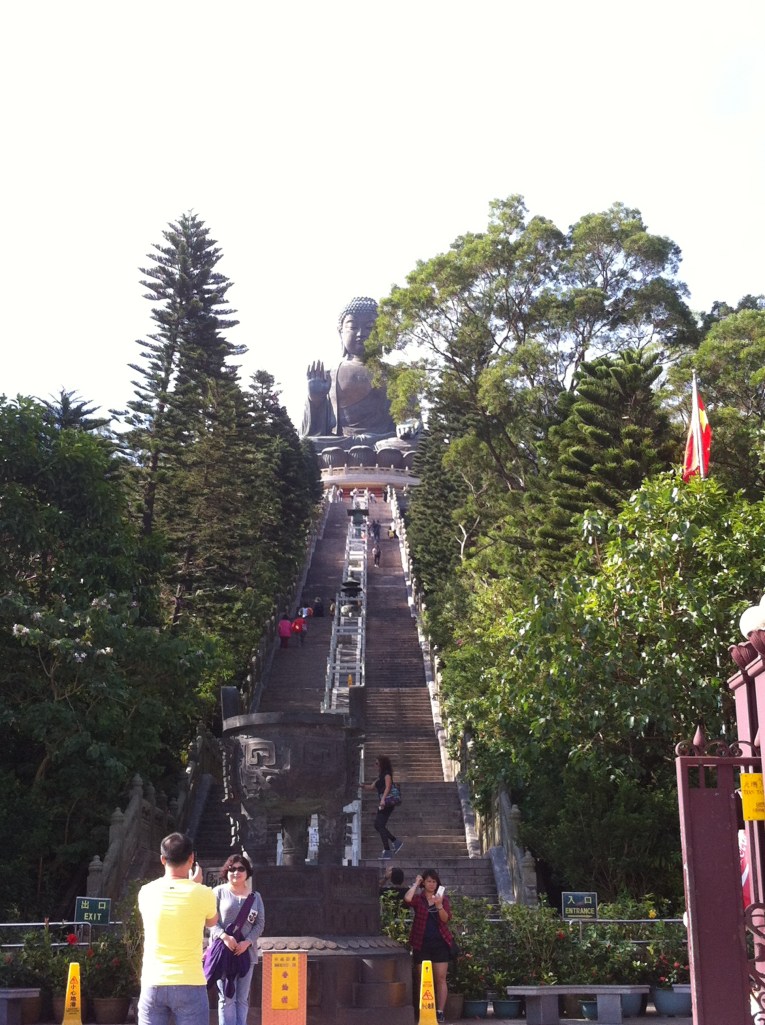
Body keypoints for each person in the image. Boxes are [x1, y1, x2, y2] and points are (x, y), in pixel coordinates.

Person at [137, 832, 218, 1025]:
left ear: (162, 859)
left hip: (153, 980)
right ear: (192, 859)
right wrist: (195, 885)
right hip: (190, 981)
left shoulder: (146, 892)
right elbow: (212, 922)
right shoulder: (204, 893)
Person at [302, 296, 397, 442]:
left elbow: (410, 418)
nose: (361, 334)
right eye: (353, 327)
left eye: (370, 327)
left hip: (385, 442)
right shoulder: (329, 376)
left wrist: (408, 425)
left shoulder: (395, 375)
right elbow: (315, 432)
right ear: (340, 332)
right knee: (309, 443)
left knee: (412, 445)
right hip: (340, 444)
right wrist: (316, 400)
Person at [209, 854, 265, 1025]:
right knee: (226, 998)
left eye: (241, 868)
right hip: (223, 953)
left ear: (247, 872)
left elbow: (260, 924)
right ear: (227, 872)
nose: (236, 872)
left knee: (242, 999)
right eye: (232, 869)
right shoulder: (218, 892)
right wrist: (224, 937)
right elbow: (210, 921)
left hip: (246, 953)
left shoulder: (256, 897)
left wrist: (246, 942)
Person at [405, 869, 455, 1025]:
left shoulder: (442, 899)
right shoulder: (419, 899)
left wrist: (439, 905)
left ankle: (439, 1011)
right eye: (428, 881)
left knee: (440, 978)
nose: (431, 884)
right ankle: (425, 1010)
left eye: (434, 881)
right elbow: (407, 899)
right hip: (421, 943)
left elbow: (445, 919)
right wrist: (416, 883)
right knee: (422, 978)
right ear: (424, 883)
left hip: (440, 943)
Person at [364, 755, 402, 859]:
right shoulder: (380, 777)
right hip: (383, 802)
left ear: (382, 764)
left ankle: (388, 850)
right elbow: (371, 787)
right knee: (378, 825)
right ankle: (395, 842)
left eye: (377, 763)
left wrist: (383, 799)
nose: (375, 765)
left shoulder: (387, 775)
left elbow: (388, 787)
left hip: (386, 803)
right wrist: (360, 786)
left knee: (379, 825)